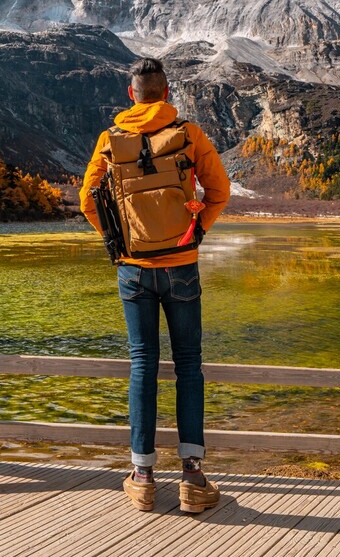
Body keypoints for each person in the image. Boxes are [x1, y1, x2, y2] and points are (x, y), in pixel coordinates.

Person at [80, 57, 231, 514]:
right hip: (182, 265)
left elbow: (88, 199)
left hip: (133, 267)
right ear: (166, 93)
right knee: (189, 366)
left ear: (132, 95)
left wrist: (118, 240)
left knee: (142, 363)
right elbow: (219, 191)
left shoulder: (111, 140)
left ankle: (142, 476)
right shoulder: (189, 133)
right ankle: (192, 477)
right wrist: (195, 231)